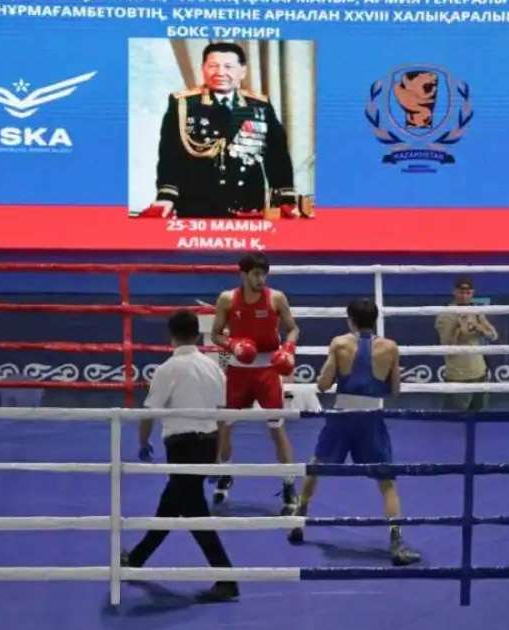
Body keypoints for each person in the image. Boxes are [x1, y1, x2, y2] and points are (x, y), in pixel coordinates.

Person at [287, 298, 421, 566]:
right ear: (375, 319)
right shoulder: (390, 347)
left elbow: (323, 385)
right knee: (387, 482)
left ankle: (299, 518)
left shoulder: (340, 344)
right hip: (371, 418)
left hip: (342, 416)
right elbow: (395, 391)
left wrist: (334, 371)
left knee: (316, 465)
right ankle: (396, 541)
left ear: (350, 320)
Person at [121, 310, 238, 603]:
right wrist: (219, 454)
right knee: (171, 505)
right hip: (208, 442)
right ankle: (136, 559)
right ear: (198, 335)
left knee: (194, 510)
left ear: (170, 336)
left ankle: (227, 579)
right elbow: (222, 414)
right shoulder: (214, 368)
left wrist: (143, 441)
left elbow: (150, 412)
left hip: (182, 446)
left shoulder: (167, 369)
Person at [144, 41, 297, 219]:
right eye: (213, 66)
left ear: (242, 71)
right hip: (196, 206)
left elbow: (277, 156)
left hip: (248, 206)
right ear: (203, 69)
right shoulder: (183, 104)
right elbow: (170, 156)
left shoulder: (259, 105)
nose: (220, 72)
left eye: (228, 66)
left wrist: (285, 199)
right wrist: (166, 197)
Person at [209, 252, 300, 514]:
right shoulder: (227, 299)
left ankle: (289, 484)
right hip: (238, 370)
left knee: (276, 429)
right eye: (256, 274)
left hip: (268, 370)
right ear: (243, 274)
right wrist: (233, 344)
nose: (261, 279)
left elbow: (293, 328)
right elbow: (216, 334)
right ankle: (225, 472)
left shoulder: (276, 298)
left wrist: (288, 348)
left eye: (264, 274)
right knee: (225, 426)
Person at [434, 276, 498, 411]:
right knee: (454, 418)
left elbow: (493, 336)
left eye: (468, 293)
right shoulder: (445, 315)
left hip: (480, 372)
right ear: (454, 292)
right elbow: (447, 348)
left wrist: (477, 326)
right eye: (461, 292)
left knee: (478, 417)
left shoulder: (476, 312)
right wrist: (457, 329)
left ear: (473, 293)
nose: (464, 296)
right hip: (458, 376)